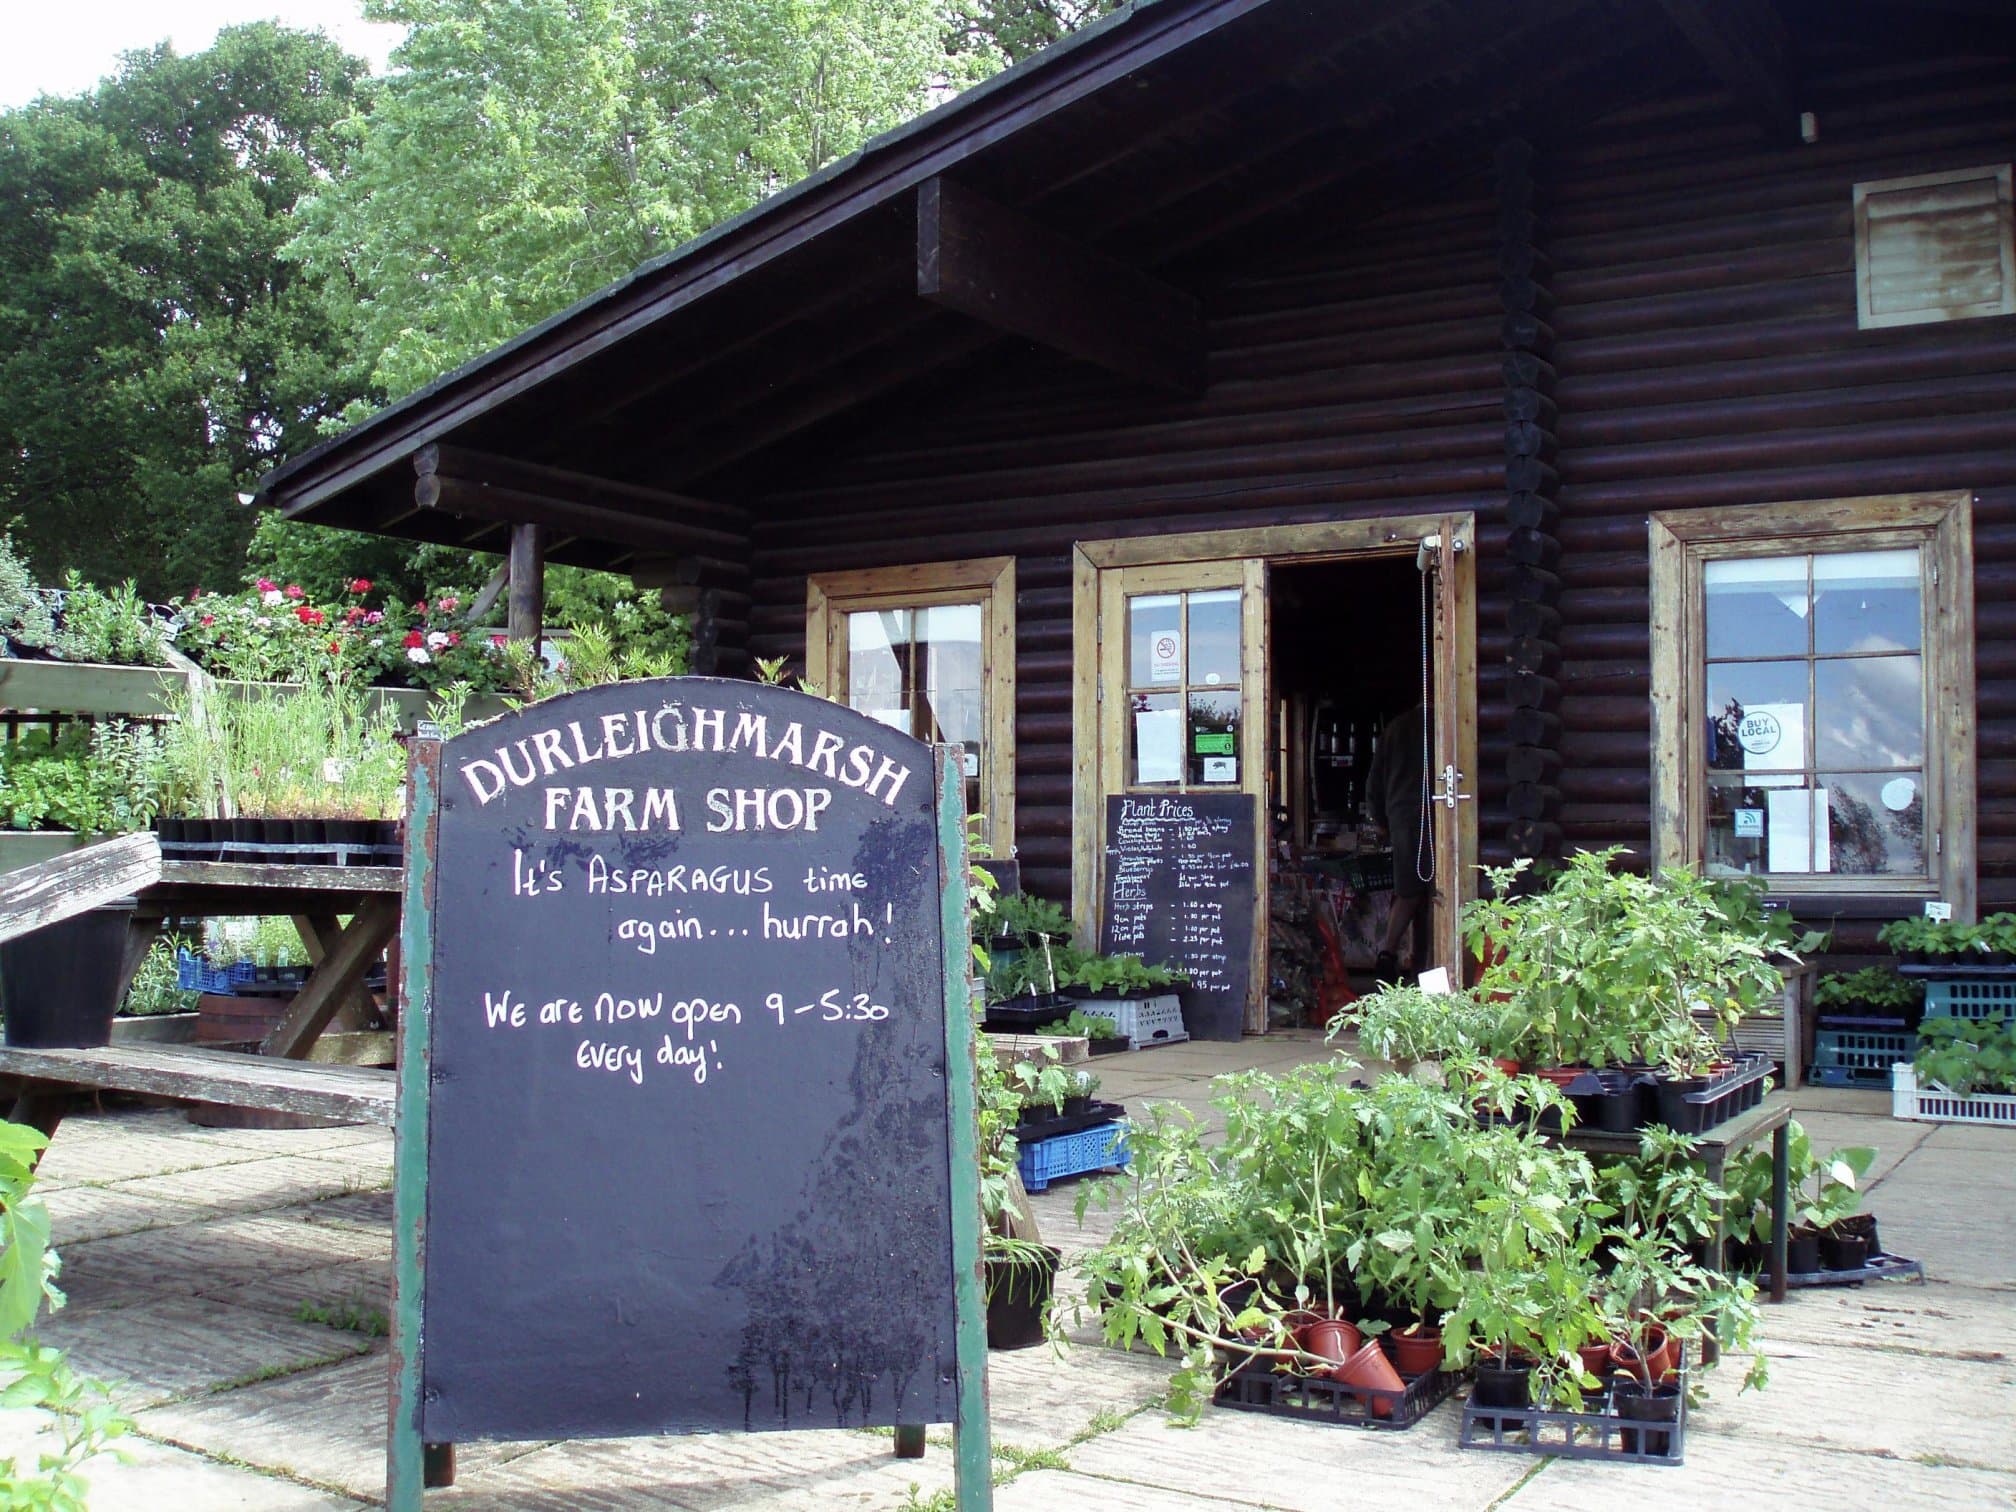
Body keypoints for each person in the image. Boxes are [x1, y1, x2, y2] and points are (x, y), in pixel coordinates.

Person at [1365, 702, 1431, 981]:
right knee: (1424, 892)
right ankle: (1410, 963)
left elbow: (1374, 782)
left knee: (1411, 891)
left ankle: (1398, 957)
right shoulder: (1437, 725)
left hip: (1401, 818)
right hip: (1425, 816)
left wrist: (1381, 821)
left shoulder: (1395, 728)